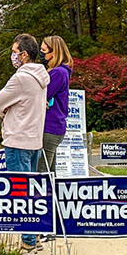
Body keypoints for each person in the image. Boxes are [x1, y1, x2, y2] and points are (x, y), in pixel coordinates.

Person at [0, 33, 49, 255]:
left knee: (20, 191)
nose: (12, 56)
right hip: (34, 139)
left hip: (17, 140)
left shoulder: (20, 78)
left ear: (24, 55)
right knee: (31, 191)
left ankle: (28, 243)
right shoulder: (41, 77)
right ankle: (34, 235)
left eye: (14, 52)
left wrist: (5, 109)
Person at [39, 35, 74, 174]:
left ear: (54, 52)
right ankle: (53, 194)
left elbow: (42, 95)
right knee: (50, 170)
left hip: (50, 126)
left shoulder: (58, 73)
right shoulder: (61, 72)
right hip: (54, 127)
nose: (41, 54)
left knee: (42, 171)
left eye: (44, 50)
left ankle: (44, 195)